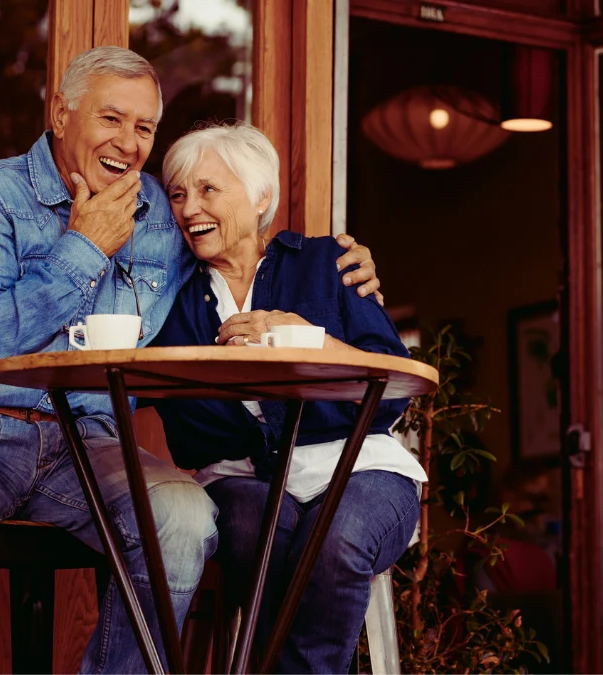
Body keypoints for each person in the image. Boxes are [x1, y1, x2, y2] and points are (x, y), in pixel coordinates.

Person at [0, 47, 381, 674]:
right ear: (60, 113)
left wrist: (336, 264)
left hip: (91, 438)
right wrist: (83, 249)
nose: (129, 143)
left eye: (144, 129)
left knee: (186, 522)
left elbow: (238, 242)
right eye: (112, 119)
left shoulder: (164, 218)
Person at [150, 122, 426, 674]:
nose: (188, 208)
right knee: (257, 533)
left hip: (360, 469)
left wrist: (308, 340)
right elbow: (183, 426)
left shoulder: (327, 263)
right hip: (241, 478)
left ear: (261, 199)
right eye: (178, 194)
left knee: (337, 540)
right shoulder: (171, 297)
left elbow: (392, 390)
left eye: (208, 190)